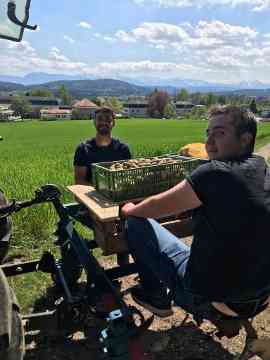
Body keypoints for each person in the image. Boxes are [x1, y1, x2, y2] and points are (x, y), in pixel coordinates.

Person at [122, 105, 270, 320]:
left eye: (220, 133)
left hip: (212, 300)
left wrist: (130, 209)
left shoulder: (215, 171)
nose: (209, 142)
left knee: (136, 222)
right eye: (208, 133)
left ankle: (155, 296)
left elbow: (153, 206)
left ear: (245, 139)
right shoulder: (263, 169)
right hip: (260, 299)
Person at [74, 106, 131, 185]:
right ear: (94, 122)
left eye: (108, 120)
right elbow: (79, 181)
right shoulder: (83, 149)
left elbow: (126, 178)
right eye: (100, 119)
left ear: (113, 123)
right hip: (90, 195)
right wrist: (103, 191)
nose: (103, 123)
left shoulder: (123, 149)